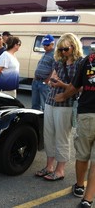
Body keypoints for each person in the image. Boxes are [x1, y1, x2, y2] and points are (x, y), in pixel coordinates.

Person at [35, 33, 83, 182]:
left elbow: (81, 87)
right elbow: (52, 79)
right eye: (61, 49)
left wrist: (62, 85)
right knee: (48, 135)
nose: (63, 52)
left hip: (66, 104)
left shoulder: (80, 63)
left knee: (62, 137)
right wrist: (51, 82)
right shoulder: (59, 61)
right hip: (51, 100)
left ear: (74, 47)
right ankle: (49, 166)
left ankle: (60, 169)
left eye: (66, 49)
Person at [54, 51, 95, 208]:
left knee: (83, 154)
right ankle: (87, 200)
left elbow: (74, 86)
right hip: (87, 113)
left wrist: (63, 96)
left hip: (87, 113)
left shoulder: (88, 60)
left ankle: (79, 187)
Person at [31, 34, 55, 111]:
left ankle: (45, 122)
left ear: (52, 44)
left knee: (45, 105)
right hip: (37, 81)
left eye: (47, 45)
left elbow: (54, 70)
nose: (45, 46)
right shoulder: (45, 53)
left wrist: (47, 81)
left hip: (44, 83)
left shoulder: (54, 55)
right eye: (44, 45)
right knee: (35, 104)